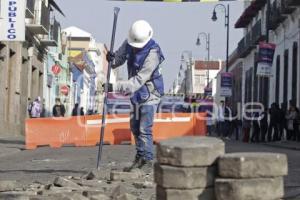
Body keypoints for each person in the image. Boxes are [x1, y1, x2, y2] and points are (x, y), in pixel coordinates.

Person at [105, 20, 165, 173]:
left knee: (145, 128)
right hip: (137, 93)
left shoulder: (153, 53)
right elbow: (119, 58)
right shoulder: (130, 41)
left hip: (151, 93)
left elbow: (138, 80)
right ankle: (140, 157)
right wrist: (112, 59)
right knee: (135, 126)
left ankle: (148, 160)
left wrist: (115, 87)